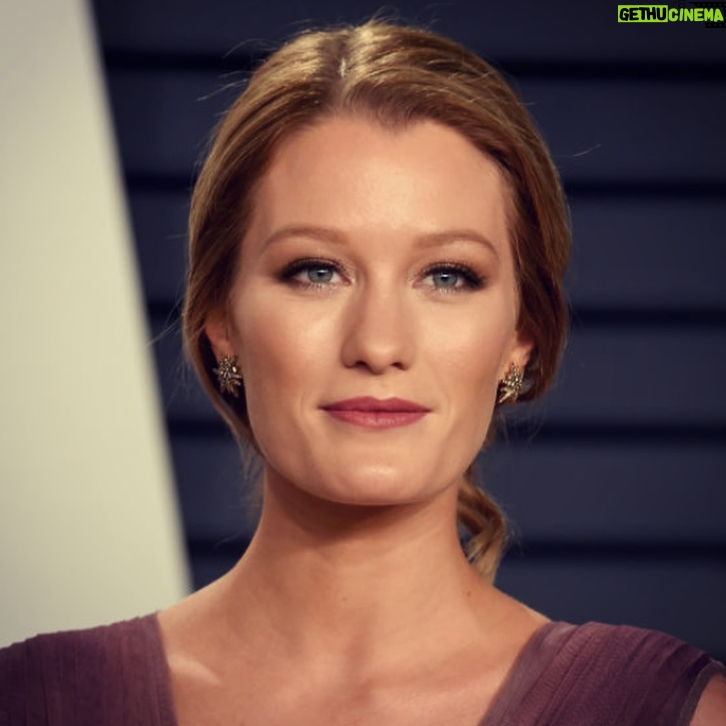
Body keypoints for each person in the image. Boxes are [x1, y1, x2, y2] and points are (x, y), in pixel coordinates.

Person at [1, 20, 724, 726]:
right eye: (316, 271)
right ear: (221, 322)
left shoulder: (666, 710)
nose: (379, 344)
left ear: (520, 337)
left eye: (447, 276)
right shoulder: (31, 701)